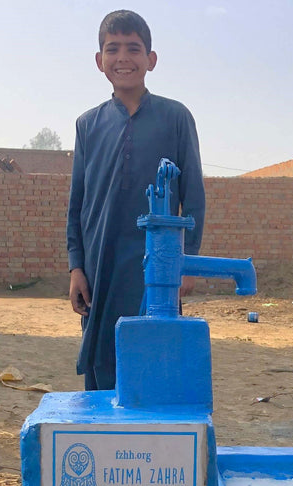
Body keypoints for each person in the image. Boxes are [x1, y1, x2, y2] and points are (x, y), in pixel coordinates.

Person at [67, 9, 205, 391]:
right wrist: (76, 267)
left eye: (133, 48)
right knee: (101, 359)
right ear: (100, 61)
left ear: (151, 59)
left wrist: (185, 263)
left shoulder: (176, 117)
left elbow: (193, 196)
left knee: (154, 364)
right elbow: (77, 204)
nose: (123, 58)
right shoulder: (87, 125)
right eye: (112, 49)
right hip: (100, 265)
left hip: (155, 268)